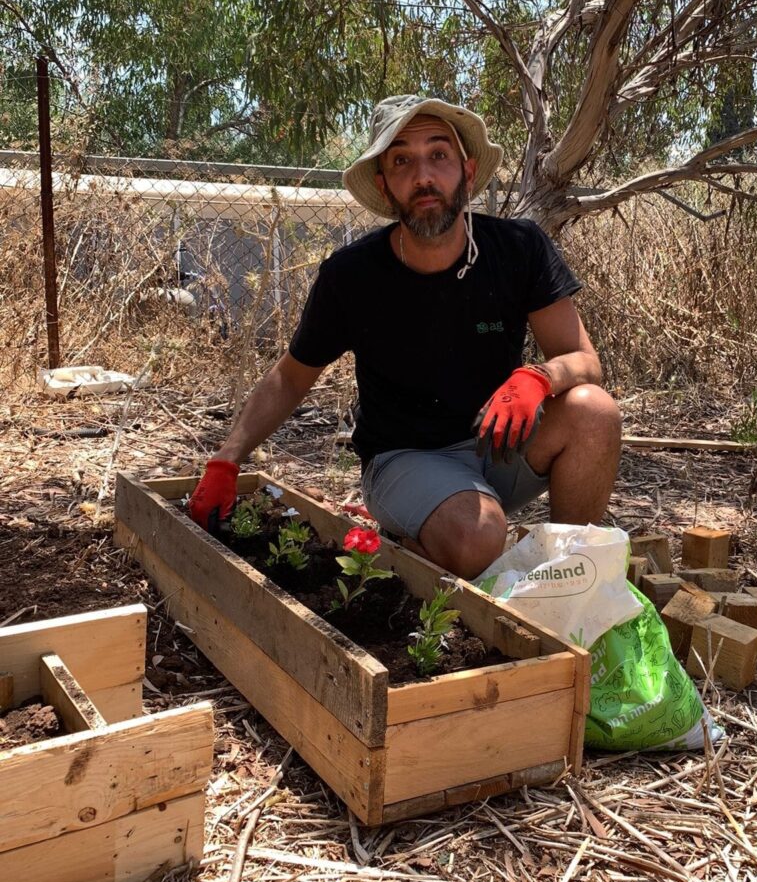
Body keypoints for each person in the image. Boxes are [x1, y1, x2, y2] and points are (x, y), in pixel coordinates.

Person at [188, 95, 621, 578]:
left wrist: (540, 377)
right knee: (479, 538)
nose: (423, 177)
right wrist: (227, 460)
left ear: (468, 172)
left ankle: (572, 576)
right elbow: (290, 378)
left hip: (496, 442)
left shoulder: (518, 249)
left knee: (593, 411)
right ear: (385, 185)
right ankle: (416, 539)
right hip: (406, 458)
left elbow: (585, 361)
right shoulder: (351, 276)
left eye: (439, 155)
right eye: (401, 161)